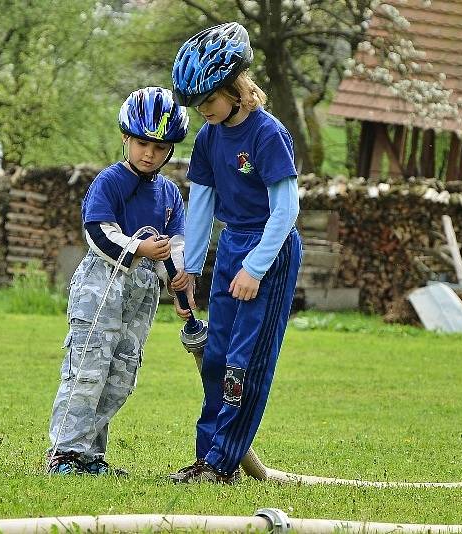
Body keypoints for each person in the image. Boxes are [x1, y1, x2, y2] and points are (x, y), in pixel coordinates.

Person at [169, 22, 302, 484]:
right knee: (216, 356)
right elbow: (201, 207)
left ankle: (222, 464)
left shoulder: (268, 135)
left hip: (270, 247)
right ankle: (207, 457)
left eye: (208, 100)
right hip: (232, 245)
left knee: (245, 361)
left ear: (233, 87)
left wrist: (256, 268)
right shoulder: (208, 138)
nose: (203, 111)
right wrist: (189, 270)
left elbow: (286, 211)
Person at [46, 87, 190, 476]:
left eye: (160, 148)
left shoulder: (169, 194)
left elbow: (177, 245)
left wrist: (182, 287)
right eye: (142, 143)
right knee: (88, 369)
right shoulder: (110, 182)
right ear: (126, 138)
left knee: (120, 374)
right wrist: (139, 248)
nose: (150, 153)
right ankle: (64, 454)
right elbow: (97, 231)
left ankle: (89, 456)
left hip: (141, 291)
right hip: (102, 284)